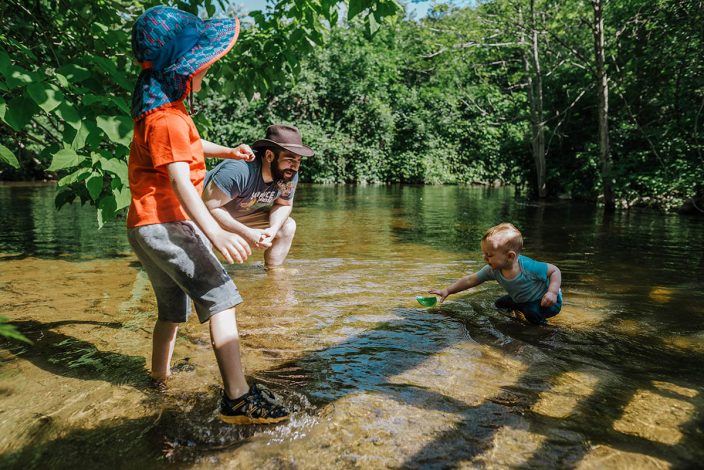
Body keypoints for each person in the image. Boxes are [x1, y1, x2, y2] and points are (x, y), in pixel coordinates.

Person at [127, 6, 289, 424]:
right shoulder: (169, 121)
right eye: (201, 67)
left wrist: (227, 151)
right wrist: (214, 232)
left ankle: (159, 377)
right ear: (181, 71)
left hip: (144, 228)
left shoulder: (157, 115)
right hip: (169, 224)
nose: (204, 73)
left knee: (171, 309)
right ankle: (237, 396)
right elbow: (182, 182)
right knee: (222, 299)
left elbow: (189, 150)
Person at [202, 124, 314, 269]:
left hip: (237, 217)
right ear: (269, 156)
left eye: (299, 161)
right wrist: (246, 232)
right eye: (290, 159)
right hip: (201, 216)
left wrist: (272, 230)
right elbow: (207, 205)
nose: (295, 166)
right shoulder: (240, 169)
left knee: (287, 227)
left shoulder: (288, 174)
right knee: (206, 272)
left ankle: (273, 274)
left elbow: (284, 204)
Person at [429, 223, 562, 325]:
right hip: (522, 299)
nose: (484, 258)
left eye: (489, 255)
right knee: (500, 304)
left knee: (531, 313)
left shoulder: (528, 268)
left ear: (510, 256)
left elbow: (554, 270)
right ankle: (517, 314)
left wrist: (552, 292)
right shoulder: (493, 269)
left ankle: (543, 329)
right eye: (484, 254)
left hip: (547, 302)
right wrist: (447, 290)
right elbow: (470, 280)